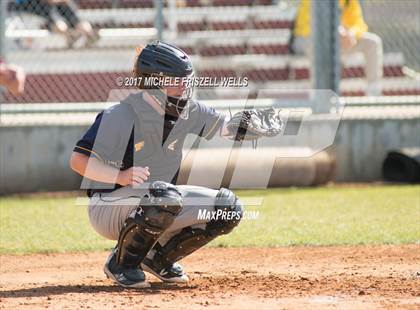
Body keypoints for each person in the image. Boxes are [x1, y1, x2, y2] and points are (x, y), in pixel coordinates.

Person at [69, 41, 281, 288]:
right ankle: (121, 264)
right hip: (107, 205)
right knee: (164, 196)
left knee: (227, 209)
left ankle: (157, 259)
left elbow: (225, 124)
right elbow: (78, 160)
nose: (183, 86)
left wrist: (252, 124)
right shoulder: (122, 114)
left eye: (185, 79)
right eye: (174, 80)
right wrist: (121, 176)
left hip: (157, 200)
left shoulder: (187, 111)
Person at [290, 0, 383, 96]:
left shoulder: (348, 1)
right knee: (321, 46)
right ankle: (322, 95)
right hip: (306, 38)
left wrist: (351, 34)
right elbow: (308, 26)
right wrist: (335, 32)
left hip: (336, 39)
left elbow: (359, 23)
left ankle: (374, 93)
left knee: (372, 42)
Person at [12, 0, 99, 47]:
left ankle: (84, 31)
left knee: (65, 6)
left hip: (54, 6)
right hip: (29, 6)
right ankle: (71, 34)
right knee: (51, 9)